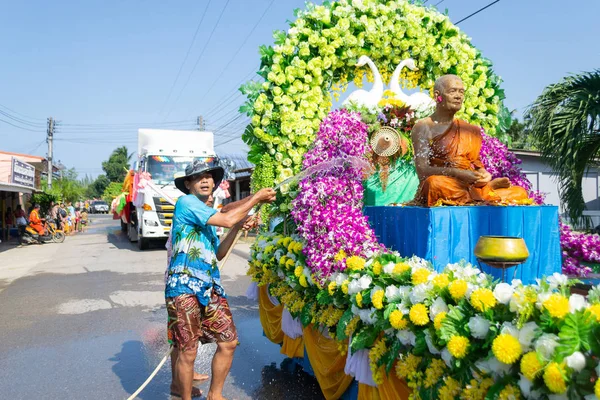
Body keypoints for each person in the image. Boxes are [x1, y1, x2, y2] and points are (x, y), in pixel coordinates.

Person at [166, 160, 276, 400]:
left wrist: (237, 228)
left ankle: (215, 395)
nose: (206, 181)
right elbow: (226, 218)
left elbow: (219, 253)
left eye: (209, 177)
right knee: (188, 351)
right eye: (199, 177)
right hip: (184, 287)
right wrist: (255, 198)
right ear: (188, 184)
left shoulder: (207, 216)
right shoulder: (186, 203)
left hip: (209, 287)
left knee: (228, 342)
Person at [411, 74, 529, 206]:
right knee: (433, 183)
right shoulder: (424, 126)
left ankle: (486, 189)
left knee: (520, 192)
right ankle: (484, 194)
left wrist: (484, 175)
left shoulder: (469, 129)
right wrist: (457, 173)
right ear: (437, 95)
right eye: (452, 91)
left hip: (470, 185)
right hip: (446, 184)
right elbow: (422, 170)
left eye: (461, 92)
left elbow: (477, 165)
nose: (458, 96)